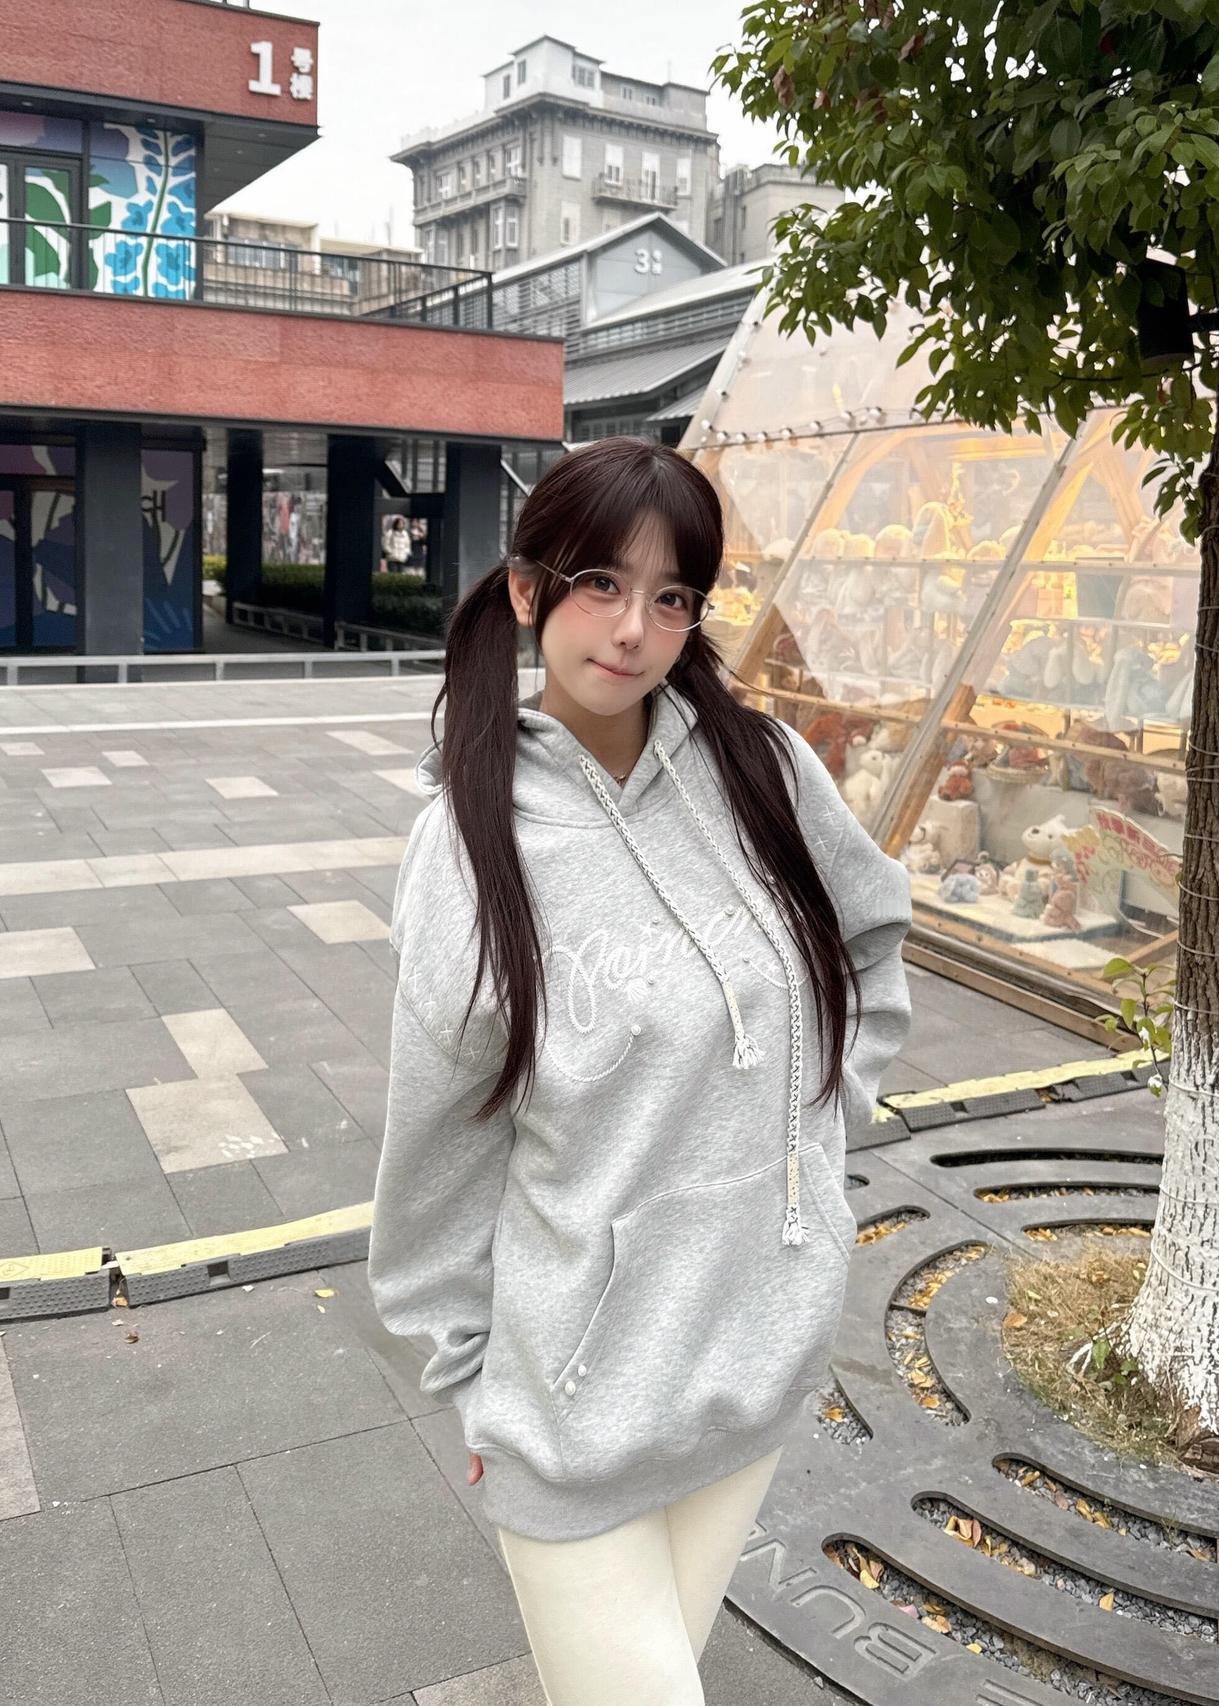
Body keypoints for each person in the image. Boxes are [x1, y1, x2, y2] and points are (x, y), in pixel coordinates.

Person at [366, 436, 912, 1704]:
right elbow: (437, 1142)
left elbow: (870, 936)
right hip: (570, 1407)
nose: (632, 629)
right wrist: (469, 1378)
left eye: (671, 597)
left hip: (750, 1359)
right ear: (527, 589)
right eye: (601, 583)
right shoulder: (470, 841)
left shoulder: (761, 768)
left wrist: (817, 1140)